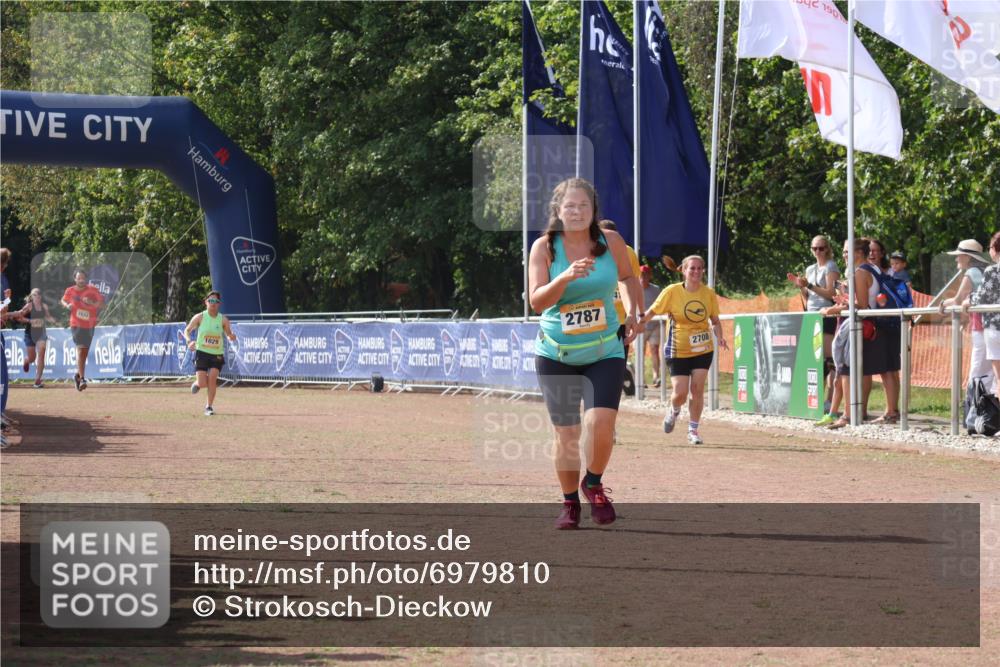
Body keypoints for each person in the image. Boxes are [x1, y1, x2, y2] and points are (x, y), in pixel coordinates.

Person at [528, 178, 641, 530]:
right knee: (567, 433)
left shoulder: (611, 241)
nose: (576, 212)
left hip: (605, 349)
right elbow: (537, 301)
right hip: (556, 354)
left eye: (583, 206)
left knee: (601, 423)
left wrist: (633, 312)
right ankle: (569, 504)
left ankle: (593, 483)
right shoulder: (545, 247)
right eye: (569, 206)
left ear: (593, 211)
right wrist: (566, 278)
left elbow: (627, 277)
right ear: (558, 211)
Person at [638, 255, 728, 445]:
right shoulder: (672, 292)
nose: (696, 272)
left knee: (697, 389)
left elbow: (715, 321)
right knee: (680, 393)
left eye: (699, 268)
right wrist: (637, 322)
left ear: (703, 271)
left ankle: (693, 430)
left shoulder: (708, 293)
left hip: (703, 348)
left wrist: (720, 337)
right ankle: (674, 410)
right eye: (692, 268)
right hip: (677, 348)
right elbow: (652, 311)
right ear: (684, 271)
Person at [787, 235, 840, 420]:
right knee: (815, 359)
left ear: (828, 248)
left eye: (821, 248)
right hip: (811, 315)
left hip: (826, 314)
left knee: (827, 359)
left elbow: (832, 293)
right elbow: (808, 296)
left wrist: (809, 284)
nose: (818, 251)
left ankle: (829, 400)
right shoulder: (810, 268)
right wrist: (801, 286)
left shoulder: (831, 266)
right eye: (814, 248)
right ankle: (815, 399)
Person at [941, 240, 990, 390]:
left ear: (968, 257)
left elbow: (957, 300)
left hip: (981, 327)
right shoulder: (988, 270)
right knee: (991, 372)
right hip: (993, 326)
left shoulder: (971, 272)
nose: (956, 259)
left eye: (959, 255)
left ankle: (975, 408)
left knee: (977, 370)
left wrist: (943, 304)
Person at [184, 290, 237, 416]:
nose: (213, 303)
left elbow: (229, 334)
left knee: (212, 379)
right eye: (211, 301)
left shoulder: (223, 319)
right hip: (201, 352)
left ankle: (209, 407)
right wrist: (189, 341)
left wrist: (231, 337)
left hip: (216, 353)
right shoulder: (200, 317)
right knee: (203, 383)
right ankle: (197, 383)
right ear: (206, 302)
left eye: (216, 301)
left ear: (219, 304)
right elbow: (187, 330)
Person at [598, 220, 642, 366]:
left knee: (617, 364)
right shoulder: (589, 250)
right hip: (596, 320)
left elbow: (635, 284)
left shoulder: (627, 251)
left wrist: (639, 313)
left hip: (621, 320)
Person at [964, 232, 1000, 395]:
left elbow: (982, 297)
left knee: (999, 378)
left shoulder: (992, 271)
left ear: (995, 248)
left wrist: (969, 299)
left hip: (995, 327)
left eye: (990, 247)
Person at [60, 268, 105, 391]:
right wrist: (67, 305)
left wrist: (90, 302)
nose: (81, 280)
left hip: (90, 325)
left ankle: (77, 376)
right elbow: (63, 300)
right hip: (76, 324)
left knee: (84, 353)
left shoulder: (93, 290)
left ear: (86, 279)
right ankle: (83, 379)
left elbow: (101, 305)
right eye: (78, 278)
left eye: (83, 278)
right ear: (75, 279)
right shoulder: (70, 290)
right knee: (81, 350)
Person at [17, 289, 56, 388]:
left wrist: (53, 320)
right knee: (32, 358)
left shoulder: (44, 306)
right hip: (29, 334)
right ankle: (27, 360)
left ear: (41, 297)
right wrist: (30, 321)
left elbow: (47, 317)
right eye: (34, 295)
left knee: (42, 353)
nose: (37, 296)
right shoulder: (29, 306)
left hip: (41, 333)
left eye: (38, 295)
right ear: (32, 296)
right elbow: (19, 317)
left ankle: (38, 379)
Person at [640, 265, 662, 387]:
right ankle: (640, 380)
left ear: (650, 276)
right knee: (640, 353)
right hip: (640, 326)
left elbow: (661, 304)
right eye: (641, 275)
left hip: (654, 325)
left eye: (646, 275)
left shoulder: (656, 289)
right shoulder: (634, 288)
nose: (643, 277)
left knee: (654, 350)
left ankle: (656, 377)